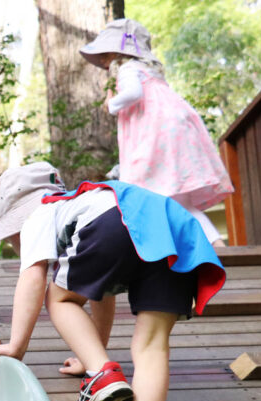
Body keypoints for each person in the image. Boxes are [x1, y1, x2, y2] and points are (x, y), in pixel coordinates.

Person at [0, 162, 225, 401]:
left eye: (10, 236)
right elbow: (101, 293)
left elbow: (32, 278)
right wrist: (91, 357)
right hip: (173, 230)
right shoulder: (88, 200)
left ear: (19, 216)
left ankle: (102, 374)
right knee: (151, 347)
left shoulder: (44, 210)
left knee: (59, 298)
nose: (13, 242)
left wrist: (16, 346)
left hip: (113, 224)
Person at [80, 18, 233, 248]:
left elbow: (132, 93)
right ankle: (217, 247)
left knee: (152, 201)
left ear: (117, 53)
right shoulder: (149, 71)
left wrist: (112, 104)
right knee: (179, 204)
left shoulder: (128, 69)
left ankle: (173, 254)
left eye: (105, 54)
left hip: (156, 138)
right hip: (177, 133)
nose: (102, 61)